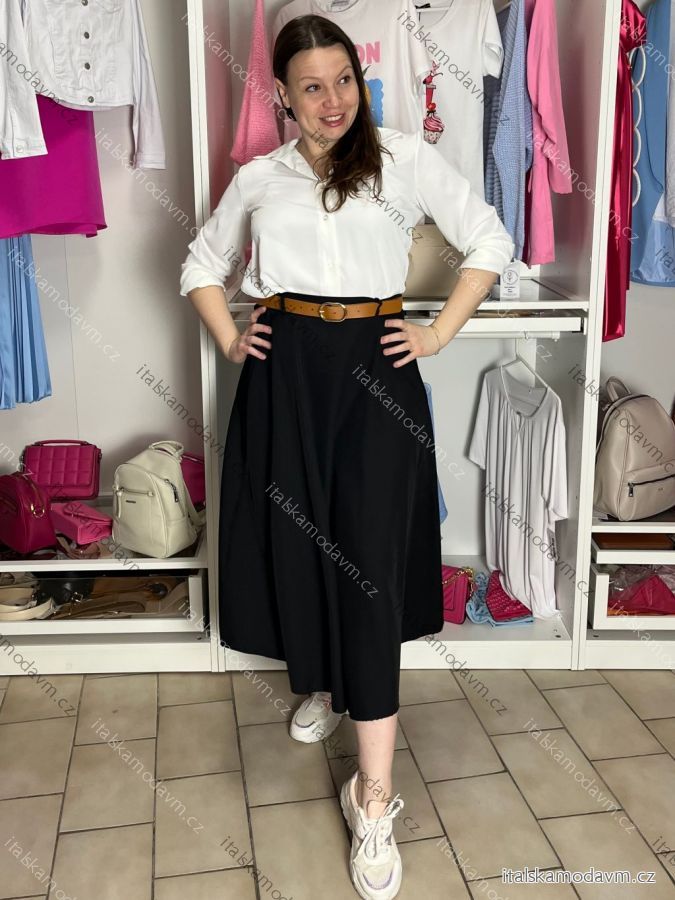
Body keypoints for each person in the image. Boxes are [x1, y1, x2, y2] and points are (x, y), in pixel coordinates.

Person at [179, 15, 514, 900]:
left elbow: (491, 239)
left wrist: (436, 332)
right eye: (311, 86)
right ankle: (323, 686)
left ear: (360, 82)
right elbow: (199, 266)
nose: (332, 101)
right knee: (301, 544)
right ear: (282, 96)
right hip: (285, 372)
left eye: (343, 81)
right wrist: (231, 339)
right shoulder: (260, 176)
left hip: (375, 367)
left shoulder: (402, 157)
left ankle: (372, 796)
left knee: (365, 561)